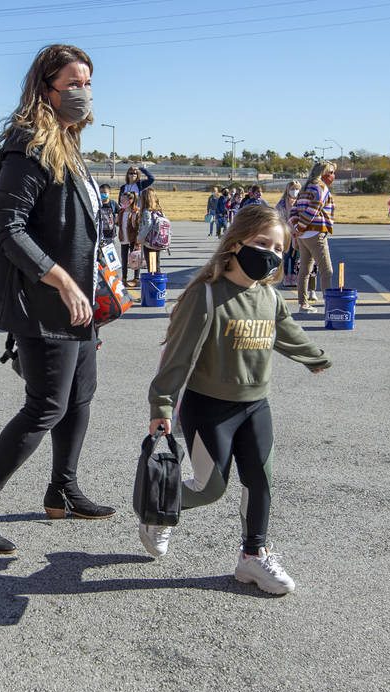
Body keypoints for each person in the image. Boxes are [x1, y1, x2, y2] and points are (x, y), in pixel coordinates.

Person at [0, 43, 113, 555]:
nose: (83, 93)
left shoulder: (68, 145)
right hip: (44, 301)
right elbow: (7, 229)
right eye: (73, 84)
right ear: (45, 88)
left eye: (88, 83)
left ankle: (62, 489)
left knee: (80, 397)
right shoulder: (28, 147)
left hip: (81, 302)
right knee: (45, 406)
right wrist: (63, 281)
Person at [141, 204, 331, 594]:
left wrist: (315, 358)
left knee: (261, 481)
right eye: (262, 243)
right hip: (209, 407)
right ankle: (158, 512)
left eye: (279, 248)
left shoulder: (269, 296)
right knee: (211, 488)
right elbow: (176, 357)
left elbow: (287, 332)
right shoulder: (205, 295)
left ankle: (253, 557)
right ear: (236, 241)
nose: (271, 254)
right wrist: (161, 406)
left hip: (256, 405)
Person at [289, 160, 337, 313]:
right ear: (323, 173)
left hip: (304, 235)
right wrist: (301, 227)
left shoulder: (305, 188)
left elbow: (293, 211)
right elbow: (314, 210)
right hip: (316, 232)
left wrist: (297, 229)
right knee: (326, 270)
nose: (333, 175)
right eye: (331, 172)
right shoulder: (320, 187)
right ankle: (330, 305)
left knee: (304, 270)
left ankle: (303, 304)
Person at [275, 180, 301, 286]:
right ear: (288, 190)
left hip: (297, 234)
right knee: (286, 256)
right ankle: (286, 277)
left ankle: (294, 277)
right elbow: (278, 217)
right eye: (293, 189)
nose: (295, 191)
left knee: (296, 257)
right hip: (285, 234)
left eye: (297, 189)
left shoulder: (301, 202)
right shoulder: (282, 204)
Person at [138, 187, 167, 274]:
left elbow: (148, 226)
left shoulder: (147, 212)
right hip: (157, 242)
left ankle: (153, 283)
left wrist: (139, 238)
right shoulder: (159, 212)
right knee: (156, 265)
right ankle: (157, 282)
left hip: (149, 243)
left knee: (151, 267)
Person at [117, 190, 140, 286]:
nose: (121, 202)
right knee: (124, 259)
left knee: (135, 259)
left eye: (123, 200)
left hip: (132, 240)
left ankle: (136, 278)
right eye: (121, 200)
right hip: (124, 239)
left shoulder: (136, 212)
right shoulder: (121, 212)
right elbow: (119, 224)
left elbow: (138, 228)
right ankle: (124, 278)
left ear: (130, 201)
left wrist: (137, 243)